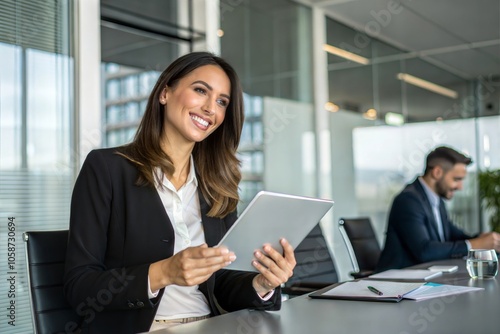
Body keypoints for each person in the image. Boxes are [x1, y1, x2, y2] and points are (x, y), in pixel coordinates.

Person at [64, 51, 296, 333]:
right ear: (165, 93)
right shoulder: (107, 169)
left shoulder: (217, 186)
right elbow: (80, 288)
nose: (211, 108)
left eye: (222, 102)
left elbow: (220, 282)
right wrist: (164, 272)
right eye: (201, 90)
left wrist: (262, 284)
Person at [376, 146, 500, 272]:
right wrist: (475, 244)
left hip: (425, 277)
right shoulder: (408, 200)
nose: (460, 187)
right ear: (437, 173)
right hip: (398, 282)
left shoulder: (436, 200)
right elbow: (424, 251)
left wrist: (482, 240)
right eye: (456, 179)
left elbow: (453, 235)